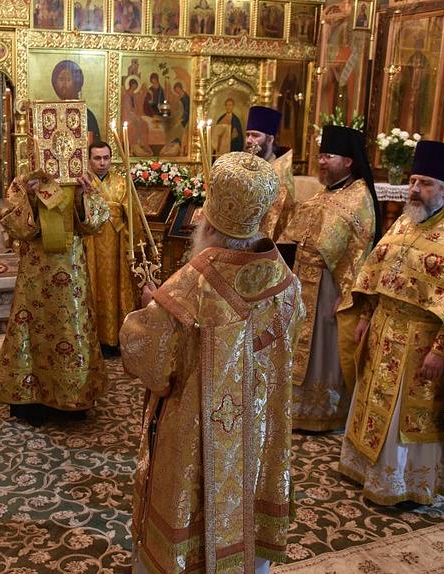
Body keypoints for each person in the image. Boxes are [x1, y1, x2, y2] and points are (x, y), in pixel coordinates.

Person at [121, 152, 303, 573]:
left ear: (208, 221)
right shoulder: (286, 281)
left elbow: (148, 359)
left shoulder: (190, 285)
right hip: (260, 429)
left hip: (194, 431)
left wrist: (148, 306)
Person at [340, 140, 444, 505]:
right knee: (372, 404)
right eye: (413, 181)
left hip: (421, 345)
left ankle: (406, 484)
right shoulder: (405, 222)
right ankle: (364, 469)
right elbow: (378, 270)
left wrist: (440, 351)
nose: (414, 189)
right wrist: (365, 315)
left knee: (406, 417)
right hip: (382, 330)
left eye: (425, 183)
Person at [278, 125, 380, 431]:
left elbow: (362, 251)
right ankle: (294, 408)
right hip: (302, 280)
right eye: (320, 156)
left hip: (329, 285)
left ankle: (323, 412)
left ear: (348, 161)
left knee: (322, 350)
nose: (321, 162)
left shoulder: (360, 197)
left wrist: (348, 294)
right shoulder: (325, 192)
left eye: (328, 157)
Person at [0, 164, 110, 423]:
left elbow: (97, 222)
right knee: (34, 326)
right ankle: (32, 399)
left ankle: (75, 397)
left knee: (72, 327)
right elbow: (14, 226)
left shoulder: (80, 176)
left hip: (72, 269)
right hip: (36, 270)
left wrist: (82, 196)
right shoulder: (23, 179)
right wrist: (30, 197)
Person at [80, 141, 135, 354]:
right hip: (91, 242)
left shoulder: (122, 182)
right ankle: (94, 341)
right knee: (92, 286)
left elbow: (132, 216)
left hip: (116, 244)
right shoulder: (82, 183)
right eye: (97, 158)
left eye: (106, 158)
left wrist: (133, 244)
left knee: (116, 287)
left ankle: (116, 338)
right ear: (89, 160)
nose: (102, 163)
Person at [245, 105, 295, 241]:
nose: (249, 140)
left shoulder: (279, 174)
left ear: (270, 139)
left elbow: (277, 216)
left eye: (255, 135)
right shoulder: (245, 164)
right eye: (247, 135)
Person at [51, 59, 101, 143]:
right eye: (61, 79)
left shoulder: (87, 115)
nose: (64, 85)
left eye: (68, 79)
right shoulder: (51, 115)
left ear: (77, 82)